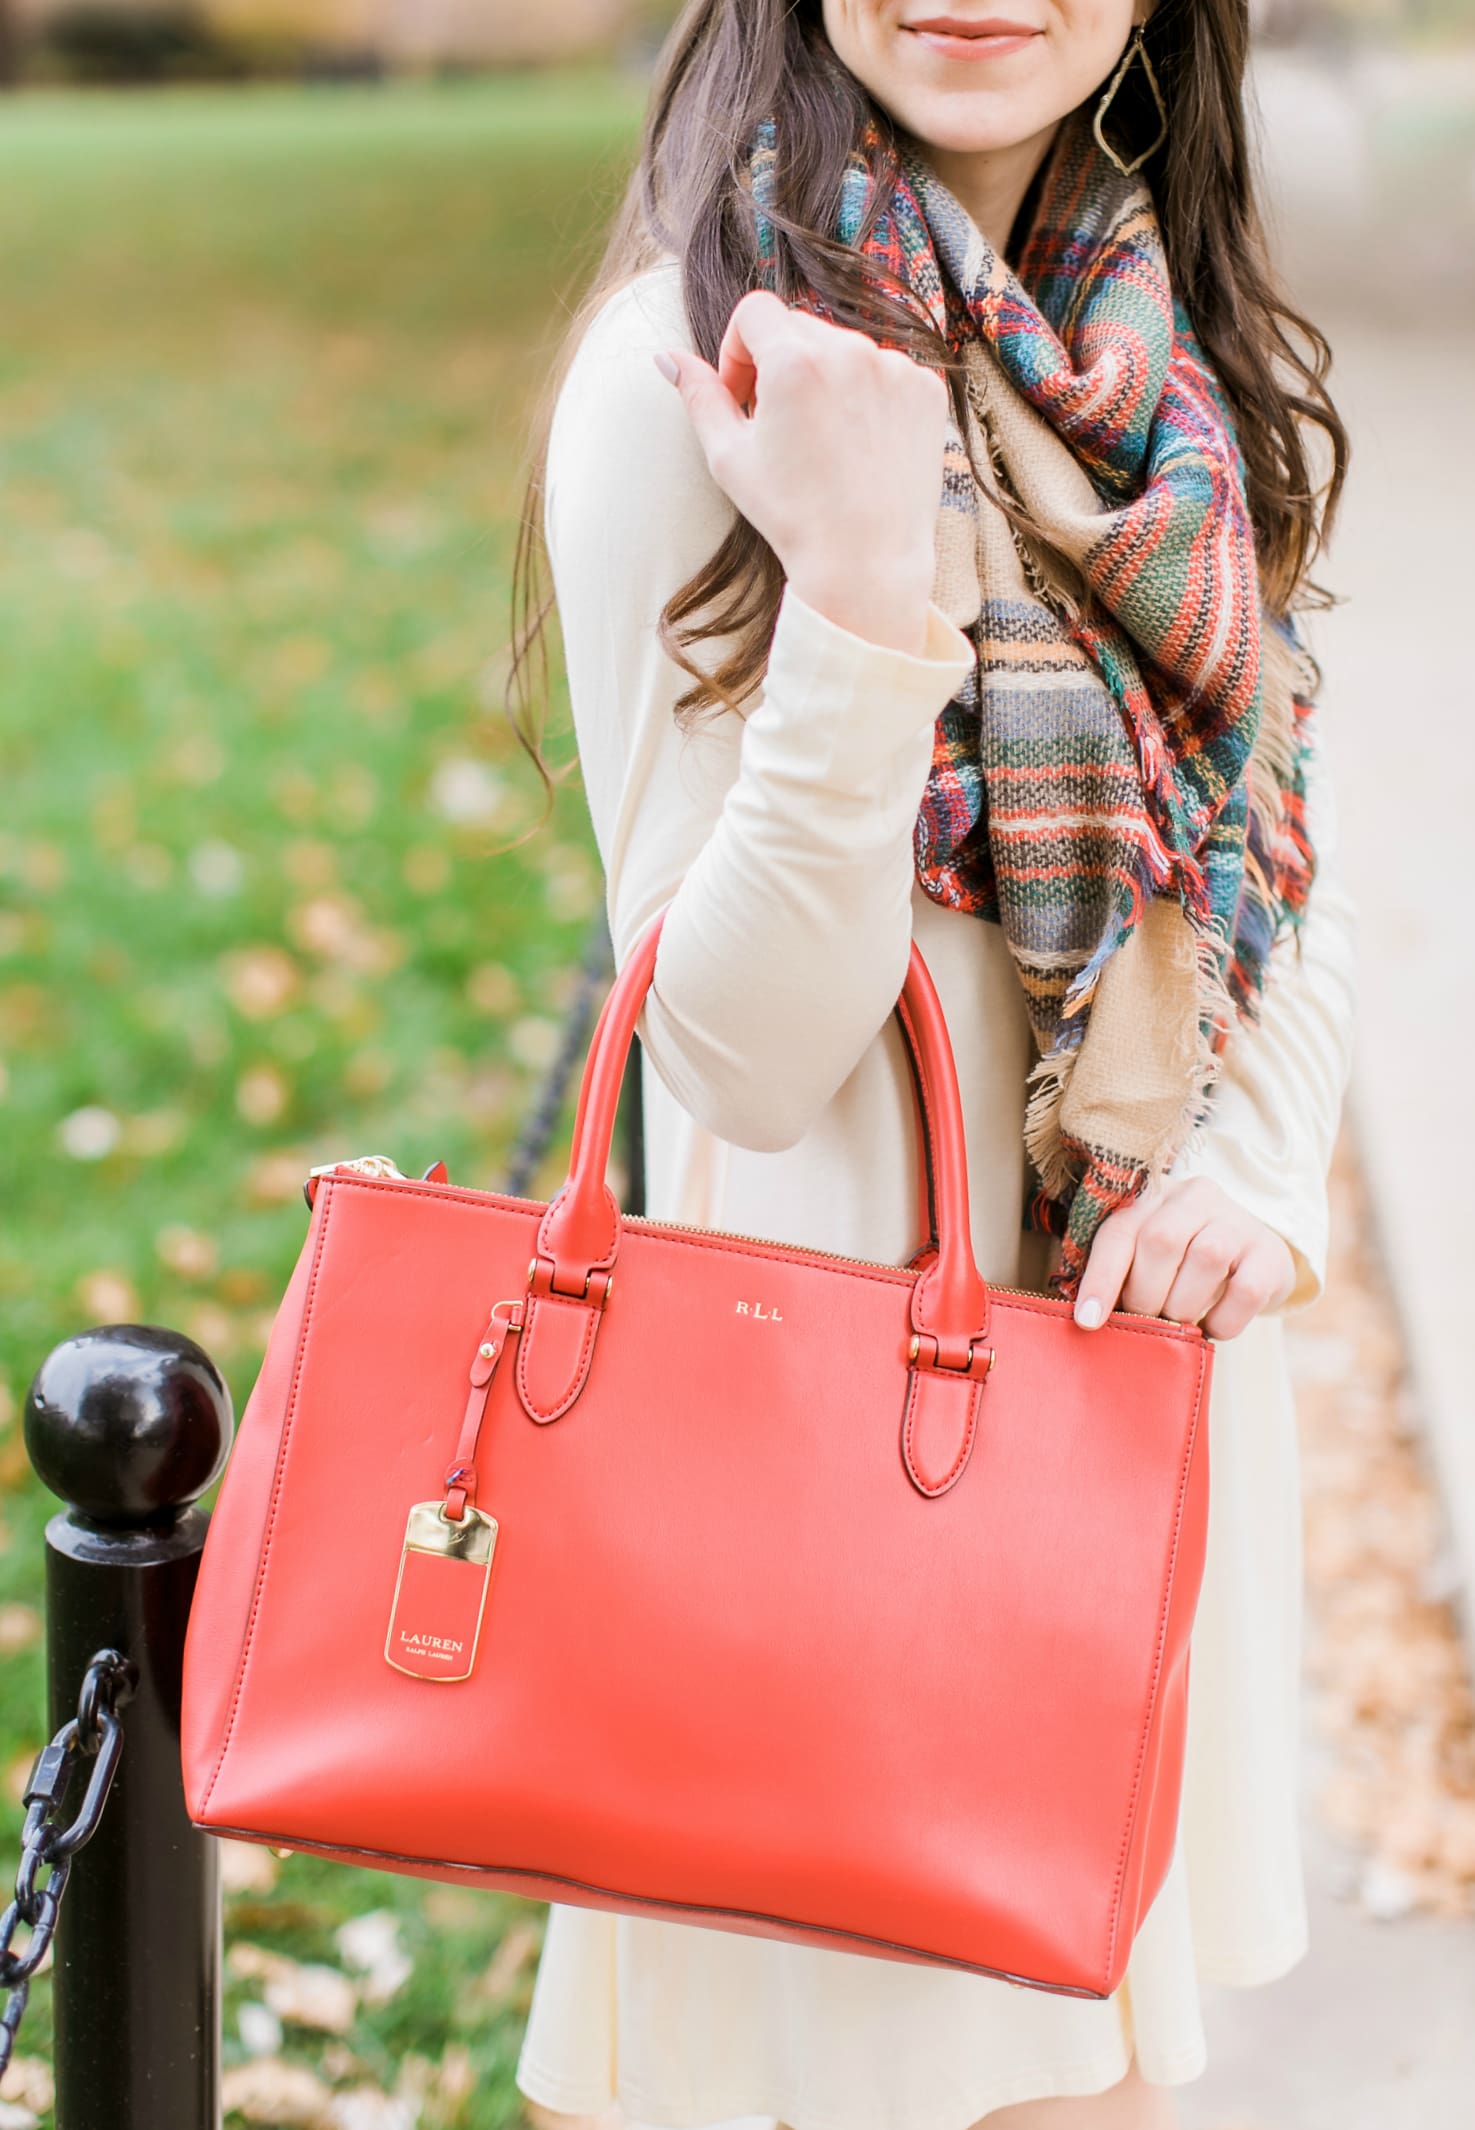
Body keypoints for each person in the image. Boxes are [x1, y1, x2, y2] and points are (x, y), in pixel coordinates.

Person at [504, 2, 1358, 2124]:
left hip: (1116, 1419)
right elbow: (740, 1052)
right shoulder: (691, 375)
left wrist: (1257, 1166)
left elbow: (1278, 865)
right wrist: (867, 586)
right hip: (833, 1448)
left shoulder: (1165, 365)